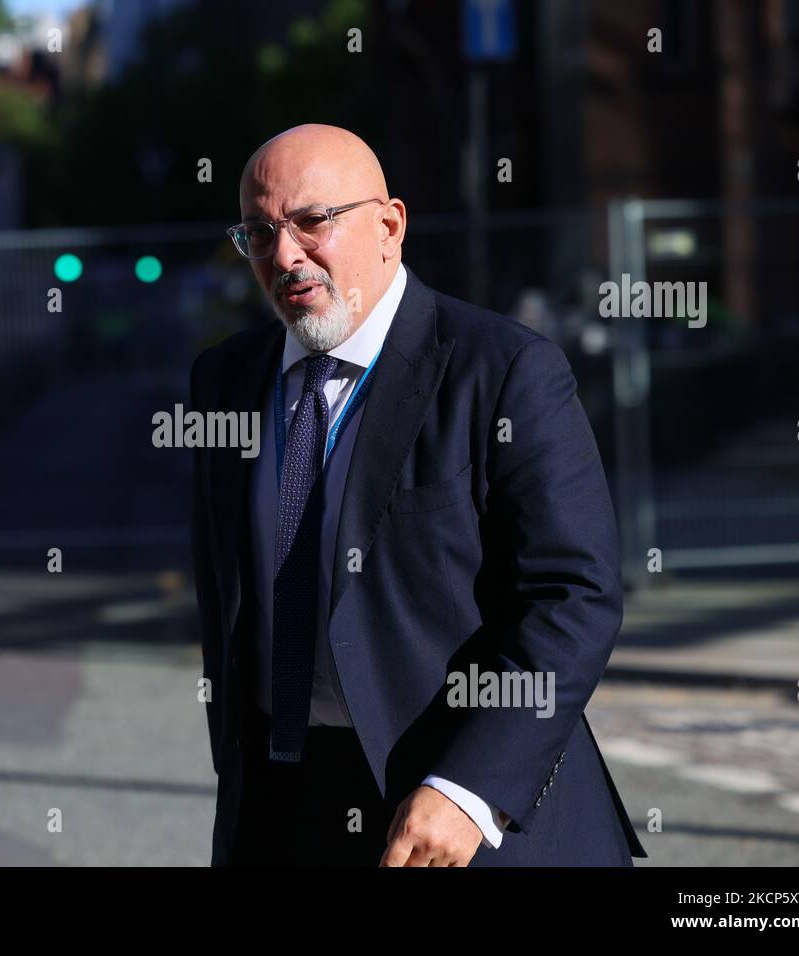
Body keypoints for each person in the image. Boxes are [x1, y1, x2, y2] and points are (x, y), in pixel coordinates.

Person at [189, 124, 647, 866]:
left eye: (312, 221)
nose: (285, 255)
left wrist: (470, 787)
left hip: (457, 805)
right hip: (282, 806)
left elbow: (575, 594)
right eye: (259, 232)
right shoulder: (224, 381)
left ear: (389, 226)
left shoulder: (502, 370)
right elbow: (226, 592)